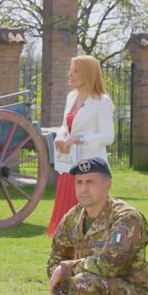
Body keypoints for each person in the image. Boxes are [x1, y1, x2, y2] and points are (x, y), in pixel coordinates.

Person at [31, 157, 148, 295]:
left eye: (91, 182)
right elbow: (55, 259)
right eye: (79, 182)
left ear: (107, 185)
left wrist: (67, 270)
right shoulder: (73, 217)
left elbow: (109, 264)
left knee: (84, 282)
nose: (84, 189)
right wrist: (62, 292)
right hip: (81, 294)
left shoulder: (126, 218)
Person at [46, 55, 115, 236]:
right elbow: (65, 125)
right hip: (69, 165)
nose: (70, 74)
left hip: (90, 167)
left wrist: (78, 138)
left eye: (75, 71)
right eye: (70, 70)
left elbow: (108, 136)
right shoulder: (71, 97)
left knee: (88, 217)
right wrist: (61, 136)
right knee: (67, 217)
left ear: (87, 74)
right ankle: (65, 249)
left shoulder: (102, 101)